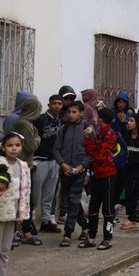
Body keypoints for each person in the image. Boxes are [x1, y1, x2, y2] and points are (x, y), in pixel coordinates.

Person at [0, 133, 31, 276]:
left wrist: (21, 213)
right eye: (10, 145)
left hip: (13, 215)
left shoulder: (22, 166)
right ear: (3, 147)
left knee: (5, 252)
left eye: (17, 145)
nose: (14, 148)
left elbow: (23, 192)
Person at [53, 100, 91, 247]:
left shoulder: (88, 129)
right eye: (69, 112)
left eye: (74, 112)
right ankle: (85, 225)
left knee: (74, 199)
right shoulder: (63, 129)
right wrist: (62, 164)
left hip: (80, 171)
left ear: (81, 113)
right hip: (65, 170)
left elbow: (92, 152)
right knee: (70, 200)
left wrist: (83, 166)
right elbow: (56, 149)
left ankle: (68, 233)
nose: (70, 114)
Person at [81, 108, 119, 250]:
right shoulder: (100, 134)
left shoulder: (109, 134)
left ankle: (107, 238)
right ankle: (91, 237)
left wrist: (90, 144)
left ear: (101, 119)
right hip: (98, 175)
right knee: (93, 207)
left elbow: (100, 155)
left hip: (108, 175)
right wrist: (88, 140)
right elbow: (92, 152)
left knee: (108, 209)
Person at [11, 97, 43, 243]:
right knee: (22, 199)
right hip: (21, 167)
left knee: (27, 199)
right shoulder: (23, 124)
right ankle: (24, 231)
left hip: (26, 166)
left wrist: (36, 137)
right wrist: (37, 139)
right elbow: (32, 145)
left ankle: (25, 230)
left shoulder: (28, 123)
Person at [33, 94, 63, 233]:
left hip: (54, 161)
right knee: (34, 192)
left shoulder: (60, 121)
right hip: (40, 160)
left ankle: (46, 220)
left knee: (50, 193)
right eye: (54, 103)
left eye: (59, 103)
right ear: (49, 104)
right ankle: (30, 220)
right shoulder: (40, 120)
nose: (57, 106)